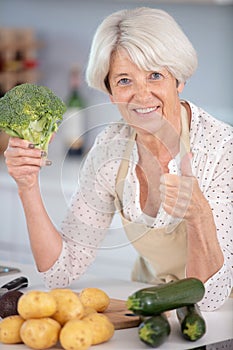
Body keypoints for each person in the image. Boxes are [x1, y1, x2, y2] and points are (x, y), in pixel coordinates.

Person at [4, 7, 232, 311]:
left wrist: (199, 216)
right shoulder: (111, 148)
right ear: (109, 91)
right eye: (125, 80)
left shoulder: (221, 150)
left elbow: (210, 299)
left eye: (155, 75)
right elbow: (61, 270)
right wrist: (27, 186)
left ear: (178, 80)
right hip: (155, 303)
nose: (141, 94)